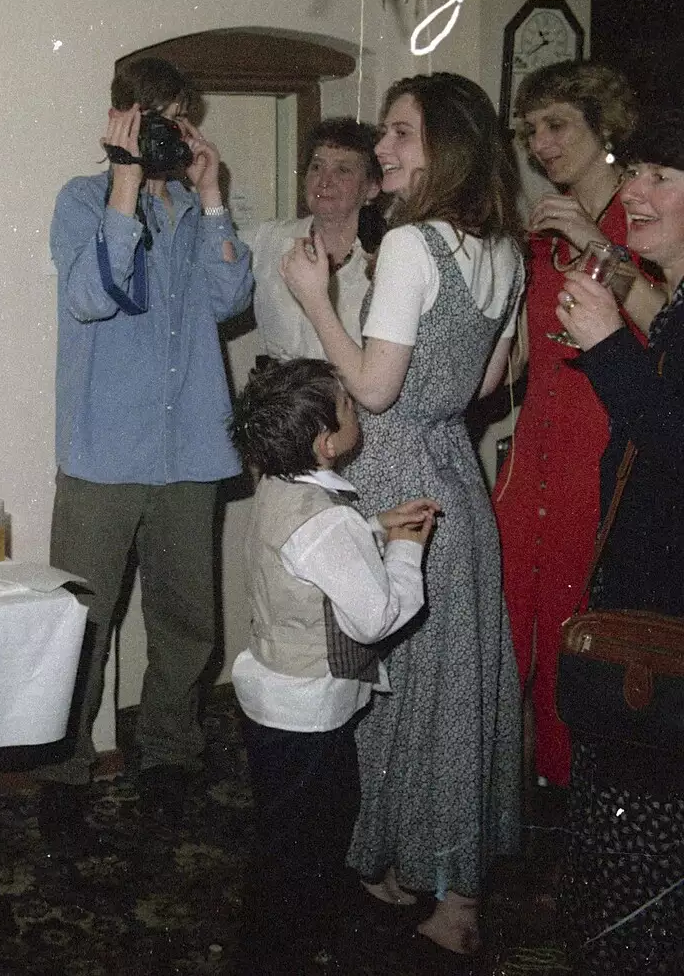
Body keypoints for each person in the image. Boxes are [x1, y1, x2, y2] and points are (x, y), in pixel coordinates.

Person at [281, 72, 525, 955]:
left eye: (398, 135)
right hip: (455, 477)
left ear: (445, 146)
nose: (381, 149)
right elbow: (489, 383)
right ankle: (417, 871)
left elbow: (375, 388)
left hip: (392, 473)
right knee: (448, 689)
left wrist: (317, 296)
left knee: (390, 680)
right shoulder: (504, 245)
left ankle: (441, 897)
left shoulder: (417, 244)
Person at [40, 54, 253, 830]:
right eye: (155, 116)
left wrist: (212, 196)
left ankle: (170, 752)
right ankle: (65, 767)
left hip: (190, 452)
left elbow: (233, 299)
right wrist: (125, 185)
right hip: (103, 455)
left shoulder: (200, 217)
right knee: (81, 625)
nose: (170, 130)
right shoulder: (80, 201)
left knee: (187, 621)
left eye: (178, 116)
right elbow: (92, 296)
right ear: (125, 118)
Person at [227, 358, 436, 973]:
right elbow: (376, 617)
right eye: (347, 404)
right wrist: (404, 549)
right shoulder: (326, 523)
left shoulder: (275, 486)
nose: (356, 408)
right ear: (326, 443)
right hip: (311, 709)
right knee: (311, 837)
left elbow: (306, 557)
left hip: (273, 697)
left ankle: (282, 934)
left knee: (289, 829)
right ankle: (282, 948)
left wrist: (370, 528)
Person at [493, 61, 663, 792]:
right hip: (536, 446)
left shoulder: (648, 215)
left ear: (604, 128)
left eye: (557, 125)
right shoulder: (543, 228)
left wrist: (599, 241)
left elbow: (667, 322)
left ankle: (579, 797)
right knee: (513, 616)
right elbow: (523, 353)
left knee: (581, 620)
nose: (541, 144)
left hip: (608, 445)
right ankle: (515, 800)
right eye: (531, 130)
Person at [552, 110, 684, 972]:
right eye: (631, 170)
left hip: (670, 622)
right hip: (648, 598)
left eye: (661, 178)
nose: (632, 191)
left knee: (652, 860)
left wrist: (606, 348)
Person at [246, 118, 385, 361]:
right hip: (280, 395)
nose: (324, 180)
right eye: (317, 167)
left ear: (372, 188)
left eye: (342, 170)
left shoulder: (383, 261)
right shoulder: (268, 239)